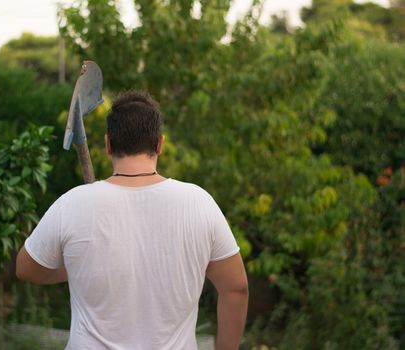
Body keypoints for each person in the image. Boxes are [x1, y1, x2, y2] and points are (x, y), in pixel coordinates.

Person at [16, 91, 248, 350]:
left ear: (108, 144)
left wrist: (82, 264)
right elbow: (236, 289)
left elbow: (26, 268)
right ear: (159, 144)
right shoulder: (199, 203)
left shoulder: (72, 203)